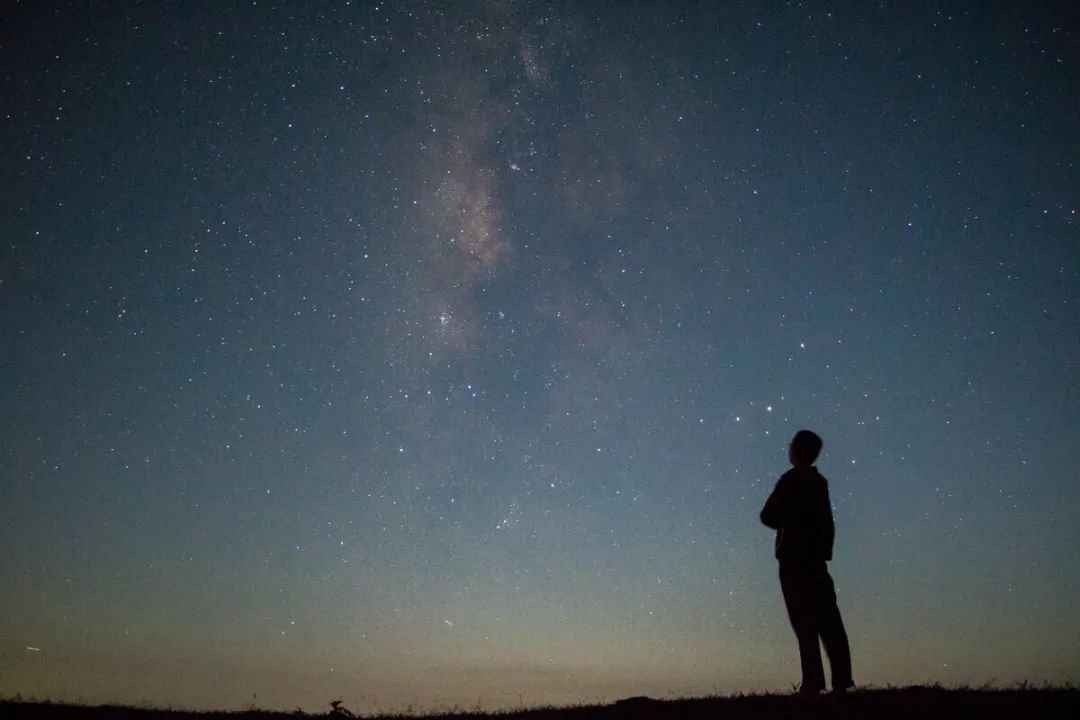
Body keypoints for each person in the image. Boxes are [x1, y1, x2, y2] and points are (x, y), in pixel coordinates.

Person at [760, 430, 854, 695]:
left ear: (796, 451)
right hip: (815, 559)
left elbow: (766, 515)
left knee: (803, 621)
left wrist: (788, 526)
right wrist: (824, 549)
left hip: (792, 559)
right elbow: (827, 521)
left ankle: (813, 682)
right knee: (829, 619)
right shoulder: (819, 482)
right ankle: (842, 681)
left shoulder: (789, 481)